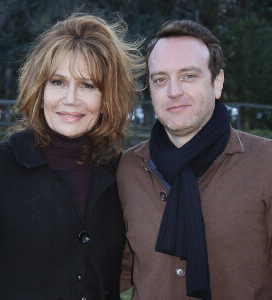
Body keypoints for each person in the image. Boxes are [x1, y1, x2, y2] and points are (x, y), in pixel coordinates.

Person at [0, 12, 144, 300]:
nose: (71, 99)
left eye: (88, 85)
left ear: (107, 98)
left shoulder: (121, 172)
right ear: (40, 88)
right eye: (58, 82)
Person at [117, 20, 272, 299]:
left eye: (188, 76)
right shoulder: (127, 169)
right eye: (160, 79)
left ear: (218, 82)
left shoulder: (266, 164)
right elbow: (106, 274)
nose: (173, 91)